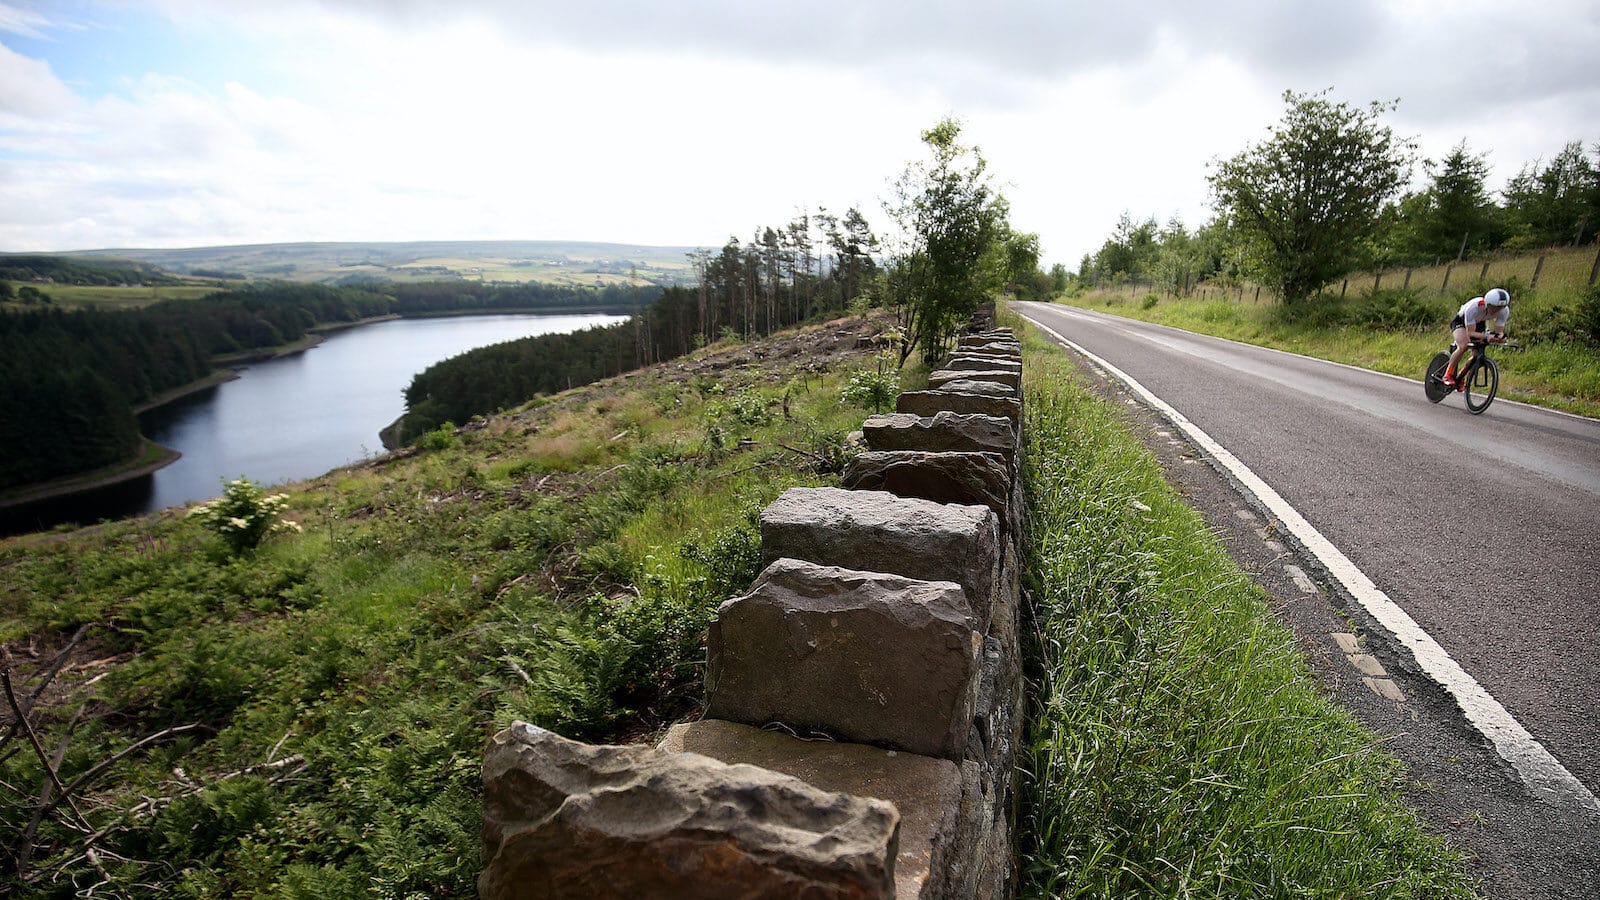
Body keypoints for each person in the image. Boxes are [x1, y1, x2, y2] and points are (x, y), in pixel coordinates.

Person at [1441, 287, 1510, 390]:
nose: (1496, 311)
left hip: (1479, 323)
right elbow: (1470, 333)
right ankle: (1448, 374)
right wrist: (1487, 336)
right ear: (1487, 304)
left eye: (1499, 308)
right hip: (1461, 322)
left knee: (1476, 356)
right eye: (1493, 307)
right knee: (1463, 345)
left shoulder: (1504, 311)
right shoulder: (1474, 307)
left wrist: (1499, 337)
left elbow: (1499, 331)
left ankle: (1461, 376)